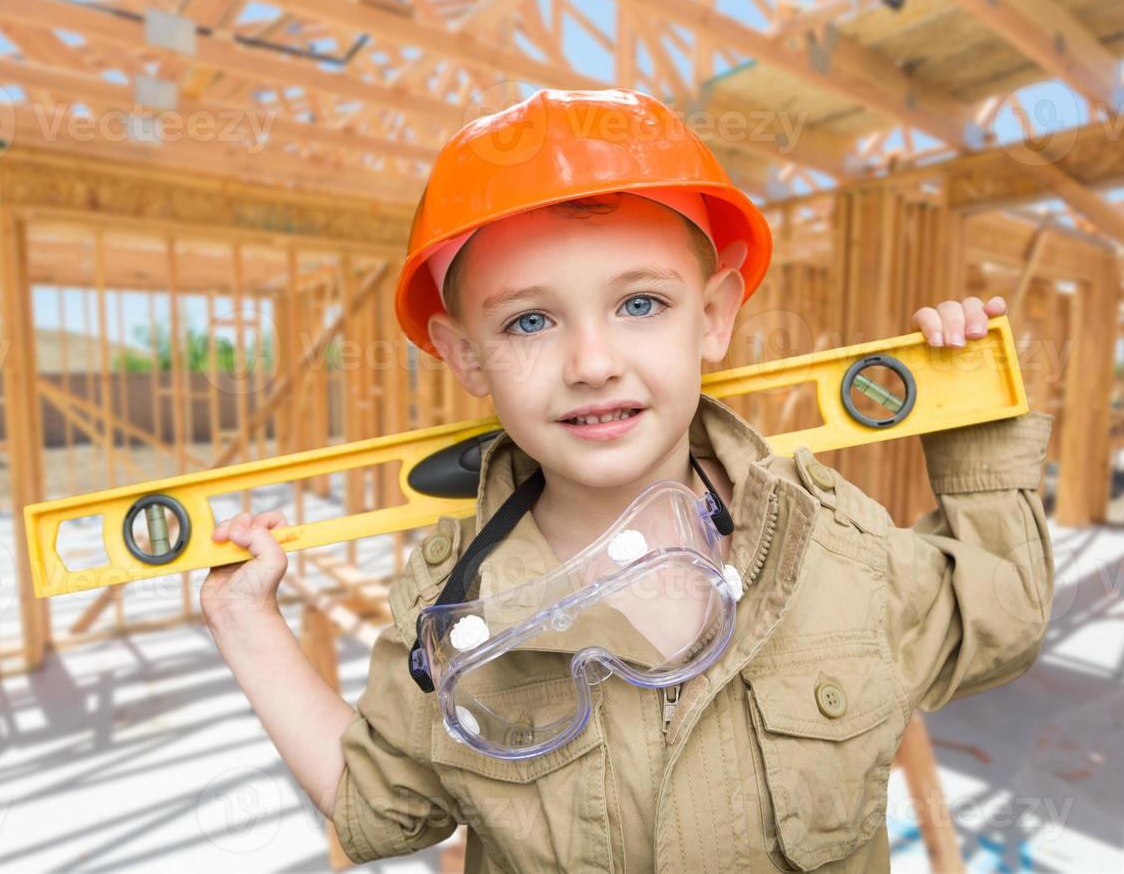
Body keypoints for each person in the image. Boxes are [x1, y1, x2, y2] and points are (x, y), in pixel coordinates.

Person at [201, 88, 1055, 871]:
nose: (592, 362)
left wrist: (977, 432)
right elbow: (380, 813)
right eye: (529, 320)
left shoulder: (823, 542)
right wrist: (244, 622)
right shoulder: (453, 617)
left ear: (713, 317)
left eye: (639, 304)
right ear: (466, 354)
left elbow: (1000, 619)